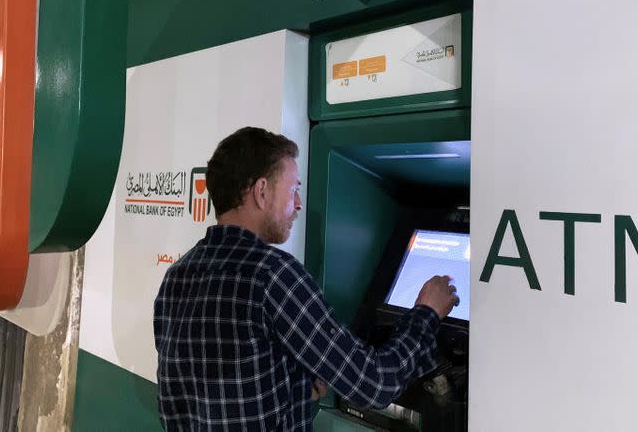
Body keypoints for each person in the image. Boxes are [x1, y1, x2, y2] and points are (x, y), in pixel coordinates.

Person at [154, 127, 459, 431]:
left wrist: (295, 386)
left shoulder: (178, 275)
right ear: (262, 192)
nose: (298, 203)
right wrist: (427, 313)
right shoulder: (272, 275)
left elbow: (220, 386)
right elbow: (374, 384)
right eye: (293, 189)